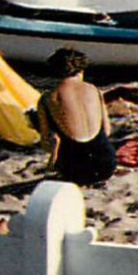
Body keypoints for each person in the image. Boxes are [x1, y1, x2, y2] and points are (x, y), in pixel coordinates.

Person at [35, 48, 116, 188]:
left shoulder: (47, 98)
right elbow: (107, 131)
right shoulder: (95, 91)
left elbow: (46, 143)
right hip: (106, 164)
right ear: (82, 69)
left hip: (74, 170)